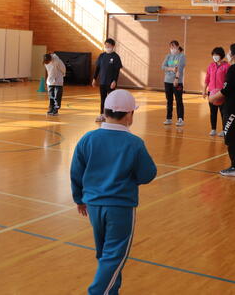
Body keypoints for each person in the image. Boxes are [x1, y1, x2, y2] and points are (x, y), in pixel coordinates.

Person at [71, 89, 157, 295]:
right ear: (129, 115)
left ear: (105, 111)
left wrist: (79, 199)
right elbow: (148, 174)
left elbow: (76, 172)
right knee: (114, 256)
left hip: (93, 206)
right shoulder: (134, 143)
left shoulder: (88, 138)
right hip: (120, 207)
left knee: (105, 254)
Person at [210, 43, 235, 177]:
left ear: (233, 55)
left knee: (231, 138)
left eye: (229, 52)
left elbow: (225, 90)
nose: (227, 54)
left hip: (233, 110)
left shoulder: (233, 70)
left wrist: (213, 98)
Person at [92, 38, 122, 123]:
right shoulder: (102, 56)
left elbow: (117, 71)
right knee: (103, 99)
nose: (107, 47)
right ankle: (102, 115)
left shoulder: (116, 57)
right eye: (106, 46)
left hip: (111, 83)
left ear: (113, 46)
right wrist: (94, 78)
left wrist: (114, 81)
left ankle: (111, 115)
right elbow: (97, 68)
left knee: (111, 99)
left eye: (109, 46)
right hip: (102, 82)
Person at [203, 46, 230, 137]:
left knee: (223, 112)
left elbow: (228, 80)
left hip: (221, 93)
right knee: (213, 112)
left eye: (216, 54)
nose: (214, 56)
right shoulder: (211, 66)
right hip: (211, 92)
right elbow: (207, 78)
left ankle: (224, 130)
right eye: (213, 55)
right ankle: (213, 129)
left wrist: (224, 91)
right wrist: (204, 90)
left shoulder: (227, 66)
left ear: (221, 55)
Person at [162, 40, 186, 127]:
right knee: (169, 100)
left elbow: (179, 68)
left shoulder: (181, 56)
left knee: (178, 100)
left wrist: (176, 79)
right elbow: (163, 66)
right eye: (171, 47)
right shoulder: (168, 56)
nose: (172, 49)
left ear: (178, 46)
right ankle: (169, 118)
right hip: (167, 81)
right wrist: (171, 69)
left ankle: (180, 119)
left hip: (177, 82)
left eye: (174, 47)